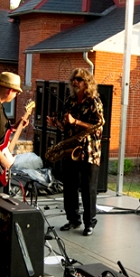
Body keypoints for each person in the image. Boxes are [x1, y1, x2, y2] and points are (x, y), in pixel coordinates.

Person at [50, 68, 104, 236]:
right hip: (71, 149)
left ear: (87, 82)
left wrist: (77, 122)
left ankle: (89, 223)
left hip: (89, 150)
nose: (75, 82)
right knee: (70, 186)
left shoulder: (94, 101)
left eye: (79, 79)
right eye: (73, 78)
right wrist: (56, 124)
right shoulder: (70, 100)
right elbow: (66, 126)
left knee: (88, 188)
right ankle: (73, 219)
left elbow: (98, 127)